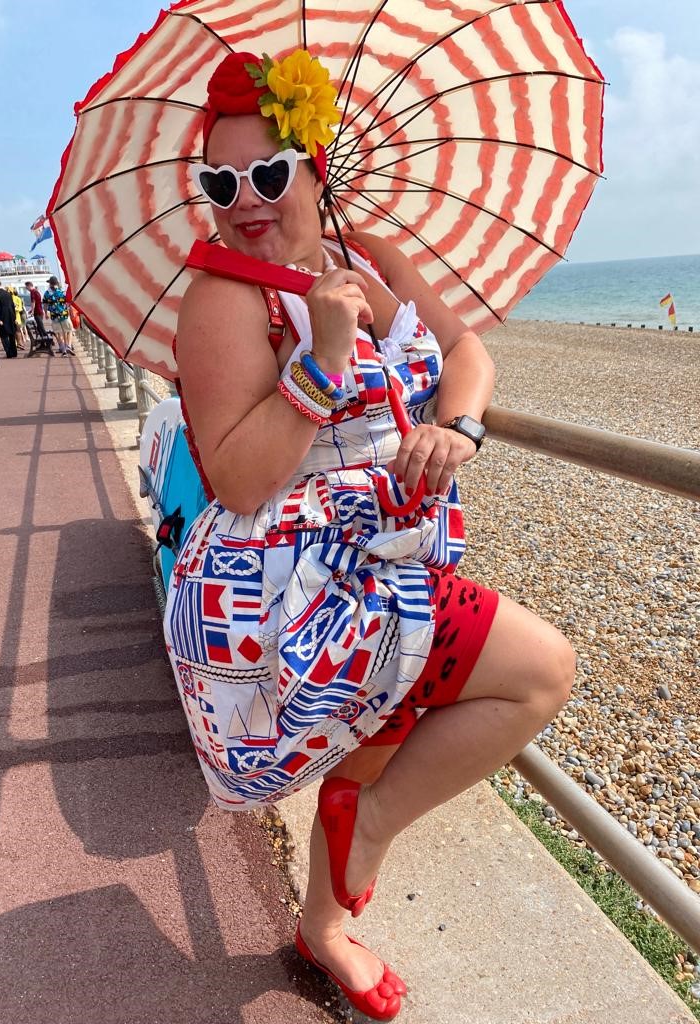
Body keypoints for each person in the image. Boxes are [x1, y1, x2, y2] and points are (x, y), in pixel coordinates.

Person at [167, 51, 575, 1021]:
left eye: (267, 172)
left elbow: (465, 351)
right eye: (220, 183)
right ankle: (368, 832)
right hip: (305, 585)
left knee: (374, 743)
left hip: (394, 555)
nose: (245, 200)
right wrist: (327, 359)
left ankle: (325, 923)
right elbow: (237, 474)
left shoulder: (378, 255)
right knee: (541, 669)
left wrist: (456, 424)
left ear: (316, 165)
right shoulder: (225, 299)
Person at [43, 276, 74, 355]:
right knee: (69, 330)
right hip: (63, 314)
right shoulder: (61, 292)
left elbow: (45, 305)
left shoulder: (46, 294)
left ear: (50, 284)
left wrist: (46, 313)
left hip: (54, 316)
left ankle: (63, 349)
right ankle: (68, 346)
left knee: (58, 333)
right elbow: (67, 303)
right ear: (57, 283)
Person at [0, 278, 18, 358]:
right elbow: (12, 305)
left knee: (4, 335)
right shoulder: (8, 293)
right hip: (11, 315)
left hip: (2, 315)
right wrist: (14, 316)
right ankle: (14, 352)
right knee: (12, 334)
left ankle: (9, 353)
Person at [24, 280, 53, 354]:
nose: (26, 288)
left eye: (26, 287)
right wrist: (32, 310)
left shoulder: (33, 292)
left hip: (37, 312)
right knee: (40, 328)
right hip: (40, 311)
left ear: (29, 285)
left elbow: (33, 302)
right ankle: (44, 342)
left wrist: (32, 310)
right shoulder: (36, 291)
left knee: (41, 327)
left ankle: (48, 342)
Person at [8, 285, 29, 350]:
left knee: (18, 331)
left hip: (16, 317)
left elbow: (20, 308)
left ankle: (19, 343)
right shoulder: (9, 299)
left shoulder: (17, 299)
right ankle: (17, 344)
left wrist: (13, 309)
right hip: (13, 317)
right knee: (16, 331)